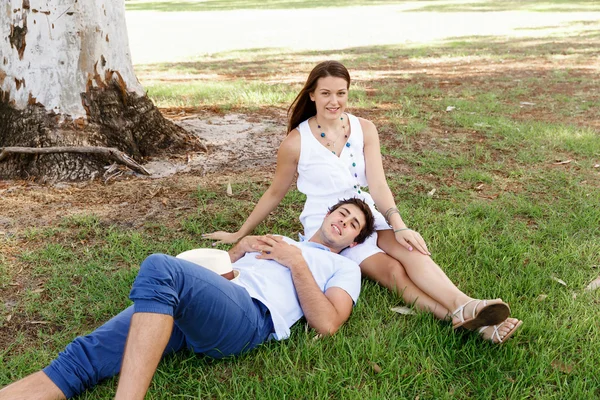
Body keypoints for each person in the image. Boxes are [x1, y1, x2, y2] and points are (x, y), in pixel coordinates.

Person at [204, 60, 522, 344]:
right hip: (330, 221)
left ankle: (466, 304)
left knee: (410, 250)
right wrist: (239, 234)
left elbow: (379, 184)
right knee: (392, 271)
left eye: (341, 93)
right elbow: (275, 192)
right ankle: (467, 321)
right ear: (312, 94)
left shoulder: (364, 129)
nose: (334, 101)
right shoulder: (296, 142)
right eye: (326, 93)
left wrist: (399, 225)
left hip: (365, 210)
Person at [0, 198, 375, 400]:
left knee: (161, 268)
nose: (343, 221)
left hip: (247, 318)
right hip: (199, 304)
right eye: (342, 213)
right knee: (82, 356)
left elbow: (327, 324)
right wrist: (237, 251)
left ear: (354, 242)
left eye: (353, 224)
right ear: (327, 214)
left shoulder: (342, 268)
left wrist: (297, 265)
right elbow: (217, 272)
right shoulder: (281, 239)